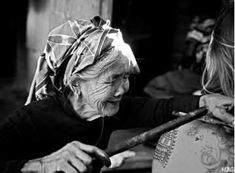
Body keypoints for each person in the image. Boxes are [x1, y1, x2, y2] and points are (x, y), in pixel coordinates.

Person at [0, 16, 233, 173]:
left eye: (126, 77)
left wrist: (205, 101)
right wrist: (40, 165)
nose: (124, 89)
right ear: (75, 82)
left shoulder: (112, 109)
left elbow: (162, 108)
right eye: (112, 79)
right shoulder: (31, 119)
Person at [152, 4, 234, 173]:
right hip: (197, 73)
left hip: (200, 75)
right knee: (157, 87)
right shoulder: (201, 23)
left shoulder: (180, 137)